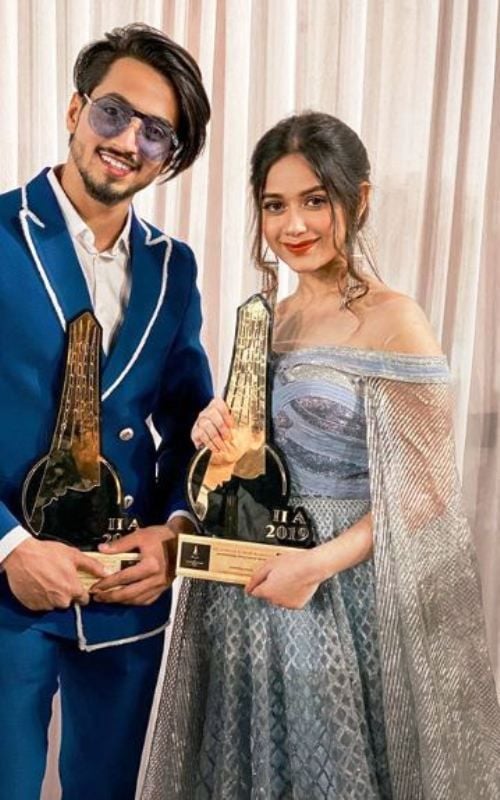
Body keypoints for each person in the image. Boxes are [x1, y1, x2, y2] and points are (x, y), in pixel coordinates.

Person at [142, 112, 500, 799]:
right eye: (275, 205)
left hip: (339, 590)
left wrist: (317, 566)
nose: (294, 224)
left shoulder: (396, 319)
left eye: (316, 200)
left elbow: (426, 491)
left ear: (358, 200)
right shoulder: (271, 317)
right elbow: (259, 463)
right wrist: (218, 430)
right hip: (252, 585)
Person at [0, 23, 212, 800]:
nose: (128, 141)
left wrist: (177, 535)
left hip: (127, 593)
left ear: (171, 156)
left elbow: (197, 419)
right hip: (7, 593)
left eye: (157, 132)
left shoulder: (173, 266)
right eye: (114, 112)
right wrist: (10, 547)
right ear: (73, 109)